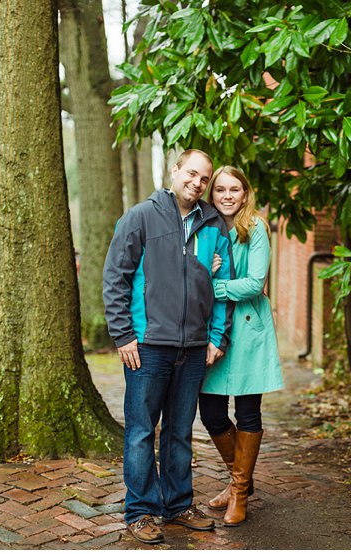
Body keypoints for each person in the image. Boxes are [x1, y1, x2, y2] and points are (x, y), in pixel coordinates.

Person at [102, 149, 234, 544]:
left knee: (179, 431)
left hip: (193, 347)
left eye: (204, 179)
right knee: (142, 431)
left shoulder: (212, 224)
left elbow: (221, 286)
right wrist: (123, 334)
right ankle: (140, 510)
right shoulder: (141, 216)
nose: (197, 183)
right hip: (148, 346)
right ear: (175, 171)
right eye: (191, 174)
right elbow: (115, 277)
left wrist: (215, 337)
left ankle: (178, 504)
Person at [199, 165, 284, 526]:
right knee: (212, 413)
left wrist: (216, 285)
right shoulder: (205, 228)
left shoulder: (257, 228)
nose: (228, 196)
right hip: (214, 330)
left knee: (248, 412)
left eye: (235, 189)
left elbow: (254, 283)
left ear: (245, 194)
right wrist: (207, 272)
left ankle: (238, 492)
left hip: (249, 331)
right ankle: (242, 483)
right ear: (211, 194)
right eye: (220, 190)